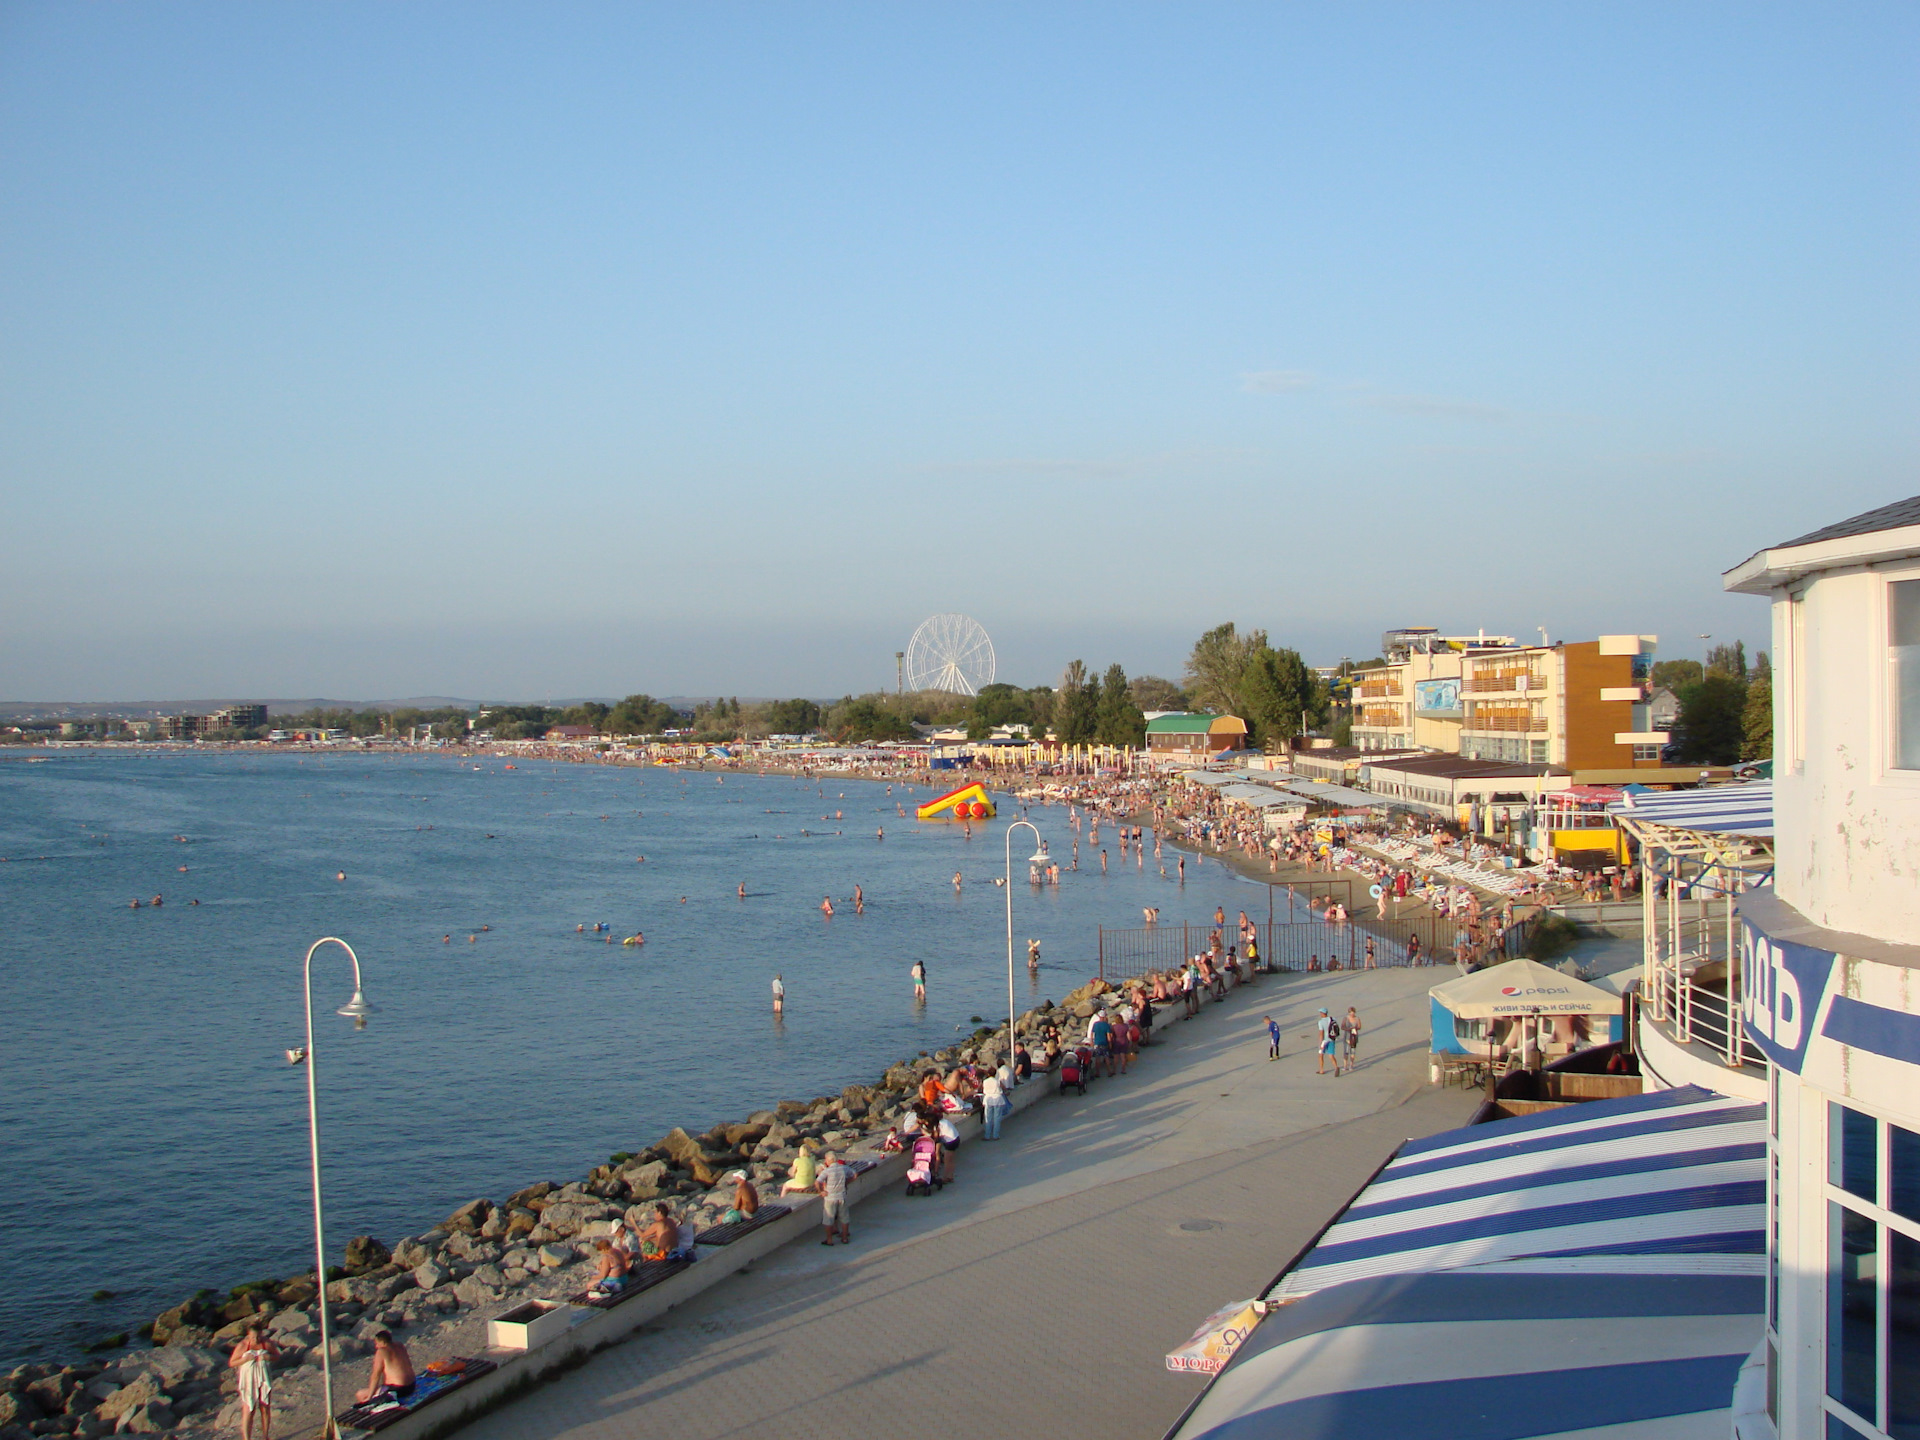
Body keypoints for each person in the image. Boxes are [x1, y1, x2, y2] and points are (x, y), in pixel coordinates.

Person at [229, 1323, 280, 1440]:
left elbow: (277, 1356)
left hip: (263, 1378)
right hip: (248, 1380)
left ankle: (265, 1436)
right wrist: (244, 1359)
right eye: (252, 1337)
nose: (255, 1339)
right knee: (248, 1409)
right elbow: (232, 1363)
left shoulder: (266, 1343)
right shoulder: (242, 1345)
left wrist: (268, 1358)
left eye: (258, 1337)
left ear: (261, 1334)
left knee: (265, 1407)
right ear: (248, 1335)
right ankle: (247, 1438)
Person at [353, 1331, 415, 1406]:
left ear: (382, 1342)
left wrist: (369, 1397)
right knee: (379, 1390)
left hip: (397, 1390)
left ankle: (372, 1414)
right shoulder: (400, 1345)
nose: (376, 1346)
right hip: (411, 1386)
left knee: (360, 1394)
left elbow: (375, 1376)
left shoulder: (381, 1352)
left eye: (377, 1343)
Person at [817, 1151, 852, 1245]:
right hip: (841, 1196)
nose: (825, 1161)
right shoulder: (843, 1168)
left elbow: (817, 1182)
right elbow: (854, 1174)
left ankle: (829, 1240)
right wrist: (846, 1183)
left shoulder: (827, 1171)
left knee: (828, 1219)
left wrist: (821, 1191)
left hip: (830, 1198)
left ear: (830, 1160)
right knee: (844, 1218)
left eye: (826, 1159)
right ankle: (844, 1238)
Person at [981, 1068, 1007, 1139]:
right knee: (997, 1118)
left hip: (988, 1099)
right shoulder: (997, 1081)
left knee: (988, 1118)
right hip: (997, 1099)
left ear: (988, 1074)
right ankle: (996, 1135)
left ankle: (987, 1135)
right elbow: (1004, 1087)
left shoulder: (985, 1081)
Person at [1316, 1009, 1339, 1076]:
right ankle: (1336, 1067)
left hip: (1325, 1040)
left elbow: (1321, 1033)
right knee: (1331, 1055)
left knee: (1321, 1055)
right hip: (1332, 1039)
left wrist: (1320, 1043)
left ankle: (1321, 1070)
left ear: (1322, 1013)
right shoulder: (1333, 1019)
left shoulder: (1321, 1022)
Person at [1342, 1006, 1362, 1072]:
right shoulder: (1346, 1018)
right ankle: (1345, 1066)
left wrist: (1355, 1028)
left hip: (1354, 1037)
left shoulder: (1357, 1018)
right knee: (1346, 1052)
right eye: (1350, 1012)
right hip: (1347, 1037)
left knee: (1352, 1052)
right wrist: (1349, 1029)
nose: (1352, 1014)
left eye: (1353, 1012)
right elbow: (1342, 1027)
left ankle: (1351, 1065)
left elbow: (1359, 1026)